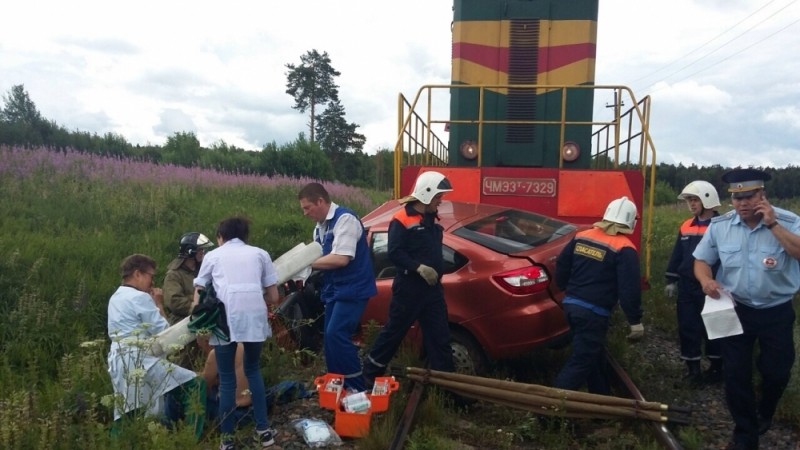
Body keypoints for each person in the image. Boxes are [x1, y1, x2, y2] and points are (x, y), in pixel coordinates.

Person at [693, 168, 800, 450]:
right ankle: (745, 434)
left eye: (748, 197)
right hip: (735, 308)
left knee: (777, 371)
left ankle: (765, 411)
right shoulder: (721, 226)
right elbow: (701, 261)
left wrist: (773, 225)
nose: (741, 204)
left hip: (776, 311)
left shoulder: (789, 222)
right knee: (736, 373)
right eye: (736, 198)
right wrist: (706, 280)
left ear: (762, 195)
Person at [362, 171, 456, 389]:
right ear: (426, 193)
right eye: (438, 196)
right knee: (394, 333)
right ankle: (369, 375)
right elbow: (394, 252)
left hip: (432, 291)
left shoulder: (431, 218)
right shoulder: (401, 220)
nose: (441, 200)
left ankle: (447, 386)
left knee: (440, 337)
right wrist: (419, 268)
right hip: (409, 290)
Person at [193, 216, 280, 450]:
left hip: (224, 320)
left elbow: (199, 293)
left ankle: (227, 440)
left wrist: (199, 320)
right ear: (245, 236)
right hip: (254, 318)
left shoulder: (212, 256)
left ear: (220, 237)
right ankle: (264, 434)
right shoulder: (261, 254)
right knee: (253, 371)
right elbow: (273, 297)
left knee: (228, 379)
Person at [107, 254, 204, 439]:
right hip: (140, 358)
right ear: (138, 274)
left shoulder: (116, 297)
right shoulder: (139, 298)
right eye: (151, 276)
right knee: (194, 384)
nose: (152, 282)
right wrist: (158, 303)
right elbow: (164, 333)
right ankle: (191, 438)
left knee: (129, 410)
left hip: (119, 359)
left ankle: (115, 443)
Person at [553, 196, 644, 395]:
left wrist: (567, 289)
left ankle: (601, 399)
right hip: (593, 313)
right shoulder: (625, 248)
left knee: (594, 354)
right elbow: (629, 289)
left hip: (571, 306)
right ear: (631, 222)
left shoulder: (582, 236)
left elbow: (561, 266)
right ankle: (550, 407)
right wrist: (635, 320)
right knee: (582, 360)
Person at [298, 182, 377, 392]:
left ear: (321, 201)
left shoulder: (345, 219)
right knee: (329, 336)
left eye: (308, 208)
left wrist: (304, 265)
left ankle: (356, 388)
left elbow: (341, 259)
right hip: (334, 289)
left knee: (337, 334)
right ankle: (337, 383)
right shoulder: (320, 227)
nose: (305, 213)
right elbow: (320, 256)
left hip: (353, 288)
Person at [664, 181, 723, 386]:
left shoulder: (722, 226)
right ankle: (693, 371)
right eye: (689, 200)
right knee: (688, 327)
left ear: (707, 199)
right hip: (688, 286)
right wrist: (671, 279)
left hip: (713, 286)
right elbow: (677, 254)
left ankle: (717, 369)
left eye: (694, 199)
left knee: (715, 328)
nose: (691, 204)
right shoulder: (686, 225)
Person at [163, 231, 215, 367]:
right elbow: (174, 301)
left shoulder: (202, 271)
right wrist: (196, 306)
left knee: (207, 361)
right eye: (200, 250)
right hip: (182, 323)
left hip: (204, 321)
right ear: (190, 252)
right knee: (182, 362)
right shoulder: (174, 275)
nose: (202, 253)